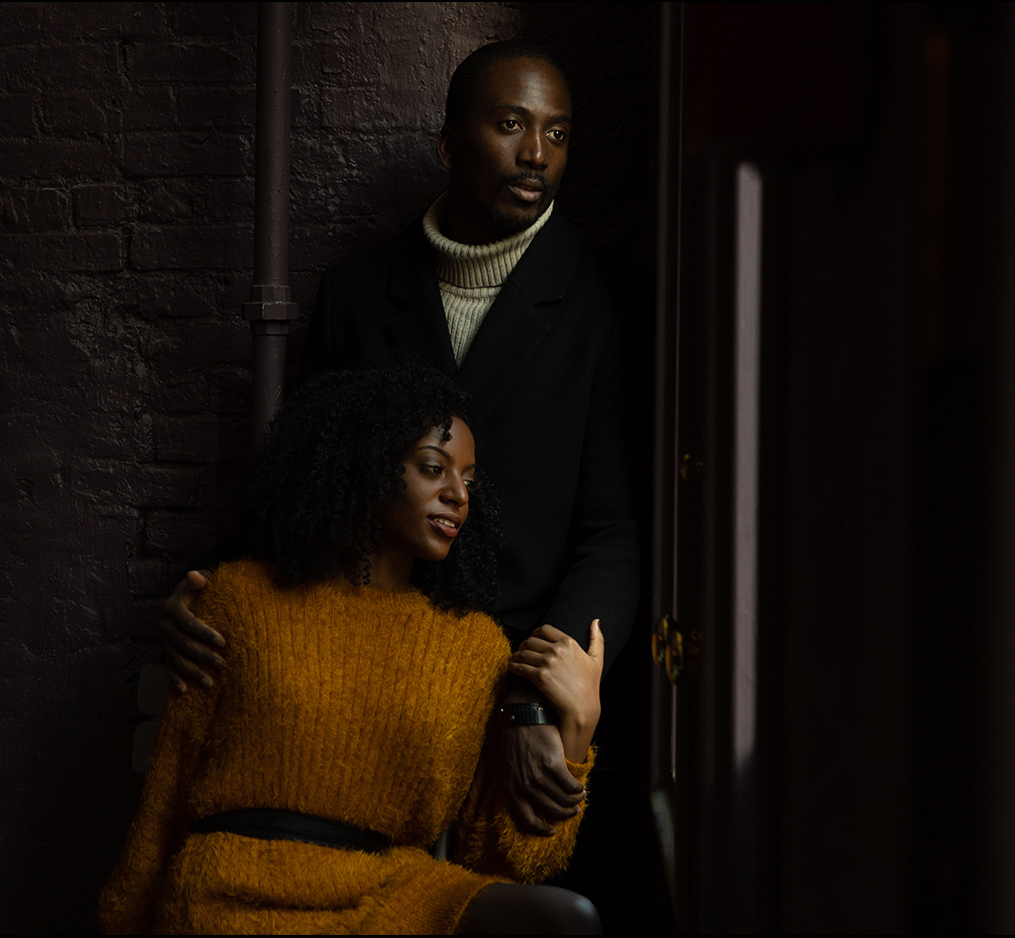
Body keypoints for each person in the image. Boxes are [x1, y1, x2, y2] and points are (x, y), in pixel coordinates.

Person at [161, 40, 638, 837]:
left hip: (511, 673)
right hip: (362, 669)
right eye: (511, 124)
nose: (536, 154)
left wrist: (534, 698)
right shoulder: (356, 294)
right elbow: (304, 489)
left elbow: (613, 536)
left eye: (557, 134)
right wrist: (207, 595)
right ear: (449, 144)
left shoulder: (605, 301)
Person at [101, 367, 604, 934]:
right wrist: (124, 917)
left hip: (393, 893)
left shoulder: (474, 646)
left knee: (567, 920)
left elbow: (504, 858)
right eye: (433, 469)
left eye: (468, 478)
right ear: (366, 466)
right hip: (236, 889)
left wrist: (578, 726)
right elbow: (167, 789)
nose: (459, 495)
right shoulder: (239, 601)